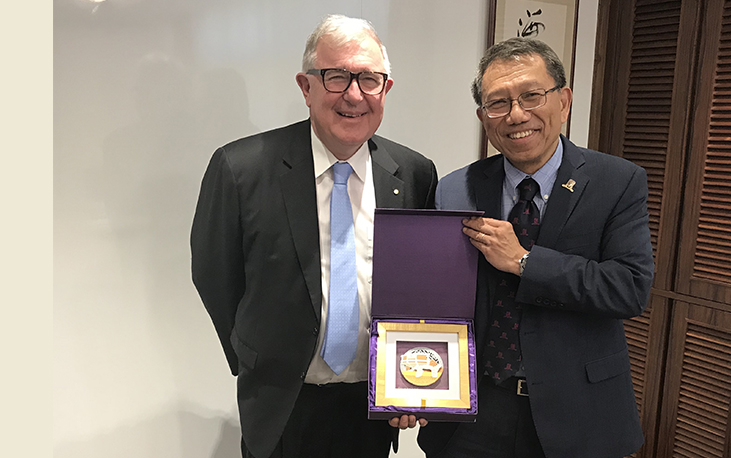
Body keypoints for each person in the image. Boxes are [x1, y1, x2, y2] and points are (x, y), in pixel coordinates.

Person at [191, 14, 438, 458]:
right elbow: (214, 275)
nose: (354, 95)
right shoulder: (240, 169)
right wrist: (253, 356)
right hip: (281, 404)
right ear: (306, 87)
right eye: (337, 77)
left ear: (386, 90)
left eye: (369, 79)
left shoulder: (415, 175)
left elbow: (419, 289)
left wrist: (406, 381)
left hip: (369, 410)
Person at [416, 38, 654, 458]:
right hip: (474, 413)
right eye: (498, 103)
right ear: (482, 117)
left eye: (531, 96)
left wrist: (525, 261)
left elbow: (630, 288)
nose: (517, 115)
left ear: (563, 101)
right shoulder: (456, 188)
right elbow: (436, 299)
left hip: (580, 413)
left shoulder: (617, 181)